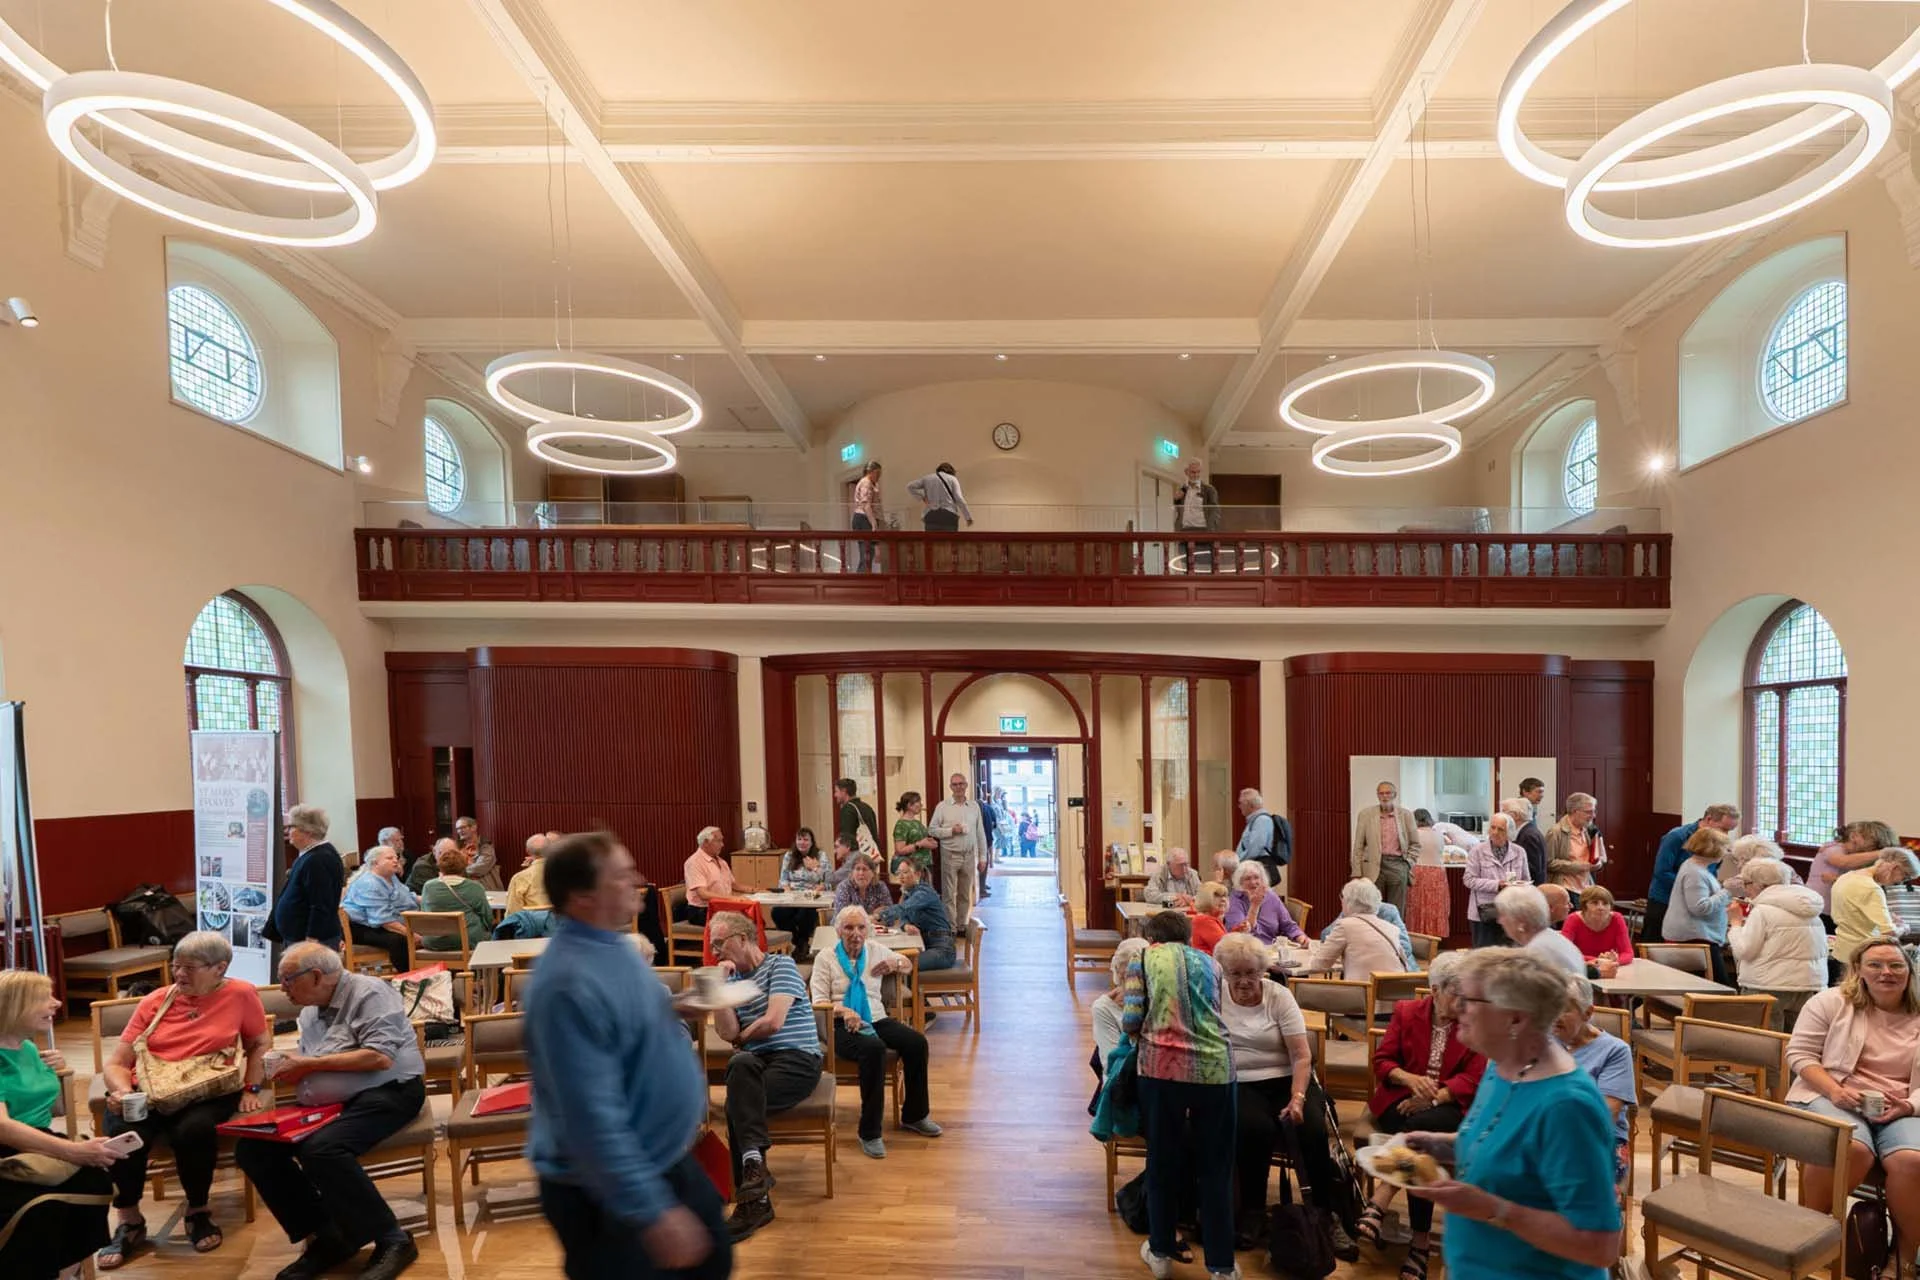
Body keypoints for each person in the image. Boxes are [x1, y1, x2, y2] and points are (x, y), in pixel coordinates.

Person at [526, 832, 729, 1280]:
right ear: (582, 897)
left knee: (715, 1255)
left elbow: (616, 1021)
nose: (638, 881)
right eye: (620, 876)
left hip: (660, 1154)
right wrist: (652, 1211)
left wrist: (672, 1007)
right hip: (603, 1183)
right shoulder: (565, 985)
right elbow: (589, 1117)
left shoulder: (613, 945)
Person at [1401, 948, 1623, 1280]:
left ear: (1516, 1019)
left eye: (1470, 1000)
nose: (1457, 1008)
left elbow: (1600, 1246)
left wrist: (1494, 1209)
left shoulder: (1568, 1106)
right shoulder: (1501, 1065)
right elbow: (1505, 1146)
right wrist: (1441, 1144)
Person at [237, 941, 426, 1280]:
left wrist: (308, 1065)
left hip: (390, 1091)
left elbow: (379, 1056)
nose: (281, 989)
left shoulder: (370, 993)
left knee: (322, 1149)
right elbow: (317, 1060)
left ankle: (392, 1238)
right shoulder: (310, 1010)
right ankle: (330, 1235)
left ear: (316, 975)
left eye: (287, 980)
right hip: (332, 1101)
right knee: (254, 1147)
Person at [95, 931, 271, 1266]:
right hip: (151, 1089)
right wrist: (121, 1092)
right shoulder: (155, 1001)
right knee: (122, 1132)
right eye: (176, 966)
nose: (179, 974)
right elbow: (118, 1062)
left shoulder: (241, 994)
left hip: (208, 1089)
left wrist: (252, 1088)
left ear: (219, 968)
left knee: (194, 1130)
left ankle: (198, 1210)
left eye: (189, 968)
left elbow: (259, 1044)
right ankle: (129, 1219)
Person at [1215, 932, 1350, 1256]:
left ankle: (1323, 1213)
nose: (1244, 980)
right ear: (1224, 971)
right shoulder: (1214, 996)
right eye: (1236, 973)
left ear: (1262, 970)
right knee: (1252, 1128)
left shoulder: (1278, 996)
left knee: (1311, 1127)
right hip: (1241, 1080)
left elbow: (1302, 1055)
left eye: (1251, 972)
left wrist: (1298, 1098)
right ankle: (1253, 1211)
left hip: (1290, 1077)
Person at [1789, 934, 1920, 1266]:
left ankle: (1903, 1259)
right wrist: (1835, 1090)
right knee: (1852, 1148)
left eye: (1895, 965)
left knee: (1911, 1162)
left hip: (1903, 1105)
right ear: (1858, 970)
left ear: (1909, 971)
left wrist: (1909, 1105)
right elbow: (1801, 1055)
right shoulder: (1830, 1002)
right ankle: (1808, 1236)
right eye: (1874, 965)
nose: (1885, 972)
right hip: (1831, 1093)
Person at [1354, 951, 1486, 1280]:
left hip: (1451, 1106)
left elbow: (1475, 1075)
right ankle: (1420, 1245)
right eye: (1456, 992)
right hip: (1401, 1103)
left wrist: (1436, 1097)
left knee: (1421, 1131)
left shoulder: (1474, 1022)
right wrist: (1409, 1079)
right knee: (1419, 1141)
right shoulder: (1406, 1011)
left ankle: (1383, 1196)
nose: (1463, 1001)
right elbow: (1382, 1060)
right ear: (1435, 990)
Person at [1123, 911, 1236, 1280]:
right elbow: (1215, 1012)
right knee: (1216, 1167)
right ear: (1187, 937)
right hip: (1216, 1069)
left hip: (1162, 1069)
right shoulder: (1211, 962)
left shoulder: (1141, 959)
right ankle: (1221, 1264)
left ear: (1151, 937)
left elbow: (1131, 1019)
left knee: (1162, 1160)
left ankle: (1160, 1253)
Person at [708, 910, 823, 1242]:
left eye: (720, 943)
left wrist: (743, 1037)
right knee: (740, 1065)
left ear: (743, 939)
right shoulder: (731, 981)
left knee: (736, 1104)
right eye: (712, 945)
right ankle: (755, 1176)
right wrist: (718, 989)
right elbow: (729, 1033)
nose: (715, 952)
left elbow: (773, 1022)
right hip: (756, 1063)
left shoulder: (781, 965)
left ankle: (753, 1204)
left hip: (797, 1061)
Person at [0, 970, 118, 1280]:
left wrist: (53, 1068)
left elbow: (47, 1103)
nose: (57, 1003)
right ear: (15, 1006)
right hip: (7, 1152)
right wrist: (73, 1151)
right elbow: (4, 1128)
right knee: (41, 1208)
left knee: (96, 1181)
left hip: (36, 1142)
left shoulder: (26, 1048)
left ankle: (66, 1271)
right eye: (45, 998)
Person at [809, 906, 941, 1159]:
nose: (855, 934)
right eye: (848, 928)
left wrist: (896, 962)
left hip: (876, 1018)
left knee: (916, 1043)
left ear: (868, 931)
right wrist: (844, 1011)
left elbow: (907, 965)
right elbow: (818, 1001)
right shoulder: (825, 958)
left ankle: (915, 1115)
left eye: (861, 928)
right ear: (838, 932)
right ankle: (869, 1132)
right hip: (839, 1022)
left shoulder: (875, 950)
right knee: (874, 1049)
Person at [1554, 975, 1635, 1191]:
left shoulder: (1615, 1051)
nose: (1553, 1017)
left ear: (1588, 1013)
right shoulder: (1544, 1042)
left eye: (1563, 1009)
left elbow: (1605, 1117)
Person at [1729, 857, 1827, 1029]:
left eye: (1746, 883)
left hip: (1767, 986)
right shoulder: (1810, 907)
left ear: (1758, 884)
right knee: (1797, 1045)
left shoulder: (1763, 911)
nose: (1745, 889)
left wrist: (1735, 925)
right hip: (1808, 984)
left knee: (1765, 1046)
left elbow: (1744, 951)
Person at [1644, 804, 1742, 941]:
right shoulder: (1677, 836)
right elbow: (1662, 872)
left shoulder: (1716, 844)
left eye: (1730, 830)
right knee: (1655, 946)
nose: (1726, 834)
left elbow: (1711, 873)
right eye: (1723, 829)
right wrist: (1692, 888)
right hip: (1664, 900)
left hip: (1695, 904)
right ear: (1709, 819)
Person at [1660, 825, 1736, 983]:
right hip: (1694, 939)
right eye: (1724, 848)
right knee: (1720, 988)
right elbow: (1700, 907)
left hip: (1696, 936)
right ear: (1712, 849)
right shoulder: (1695, 872)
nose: (1726, 852)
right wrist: (1728, 891)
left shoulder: (1695, 866)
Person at [1832, 847, 1920, 977]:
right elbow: (1889, 932)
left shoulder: (1847, 877)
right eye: (1904, 877)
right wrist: (1904, 928)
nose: (1899, 882)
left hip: (1842, 950)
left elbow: (1856, 910)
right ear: (1894, 868)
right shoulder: (1871, 888)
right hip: (1863, 954)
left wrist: (1888, 916)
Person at [1307, 879, 1410, 981]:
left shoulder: (1345, 925)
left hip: (1362, 992)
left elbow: (1318, 965)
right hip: (1396, 991)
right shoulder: (1392, 929)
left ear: (1348, 901)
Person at [271, 804, 344, 948]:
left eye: (292, 827)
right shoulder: (311, 855)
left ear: (308, 831)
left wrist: (312, 938)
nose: (288, 831)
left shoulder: (318, 859)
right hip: (299, 937)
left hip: (310, 941)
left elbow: (320, 903)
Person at [339, 844, 419, 972]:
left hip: (383, 922)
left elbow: (409, 897)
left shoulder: (391, 877)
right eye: (389, 858)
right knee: (399, 940)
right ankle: (410, 977)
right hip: (360, 927)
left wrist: (430, 898)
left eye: (395, 857)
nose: (395, 860)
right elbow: (384, 921)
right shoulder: (369, 884)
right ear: (375, 863)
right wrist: (411, 935)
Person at [877, 857, 957, 972]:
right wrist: (906, 925)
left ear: (918, 874)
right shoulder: (909, 893)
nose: (901, 876)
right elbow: (904, 917)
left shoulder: (923, 893)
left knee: (901, 963)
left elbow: (903, 908)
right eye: (899, 873)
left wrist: (878, 916)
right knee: (897, 960)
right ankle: (908, 990)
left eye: (905, 872)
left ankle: (910, 990)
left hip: (943, 949)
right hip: (926, 946)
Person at [1809, 820, 1899, 920]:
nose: (1871, 849)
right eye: (1872, 844)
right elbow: (1843, 862)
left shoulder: (1861, 857)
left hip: (1839, 911)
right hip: (1817, 908)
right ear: (1853, 836)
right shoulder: (1833, 848)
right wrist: (1883, 852)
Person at [930, 772, 985, 933]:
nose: (958, 787)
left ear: (966, 785)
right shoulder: (942, 807)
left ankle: (962, 925)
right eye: (955, 784)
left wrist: (982, 857)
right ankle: (950, 928)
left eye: (961, 784)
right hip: (950, 855)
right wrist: (951, 831)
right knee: (949, 894)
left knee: (965, 894)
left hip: (969, 855)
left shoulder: (974, 806)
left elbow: (980, 833)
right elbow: (932, 829)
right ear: (950, 787)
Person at [1465, 813, 1531, 948]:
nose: (1495, 832)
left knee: (1509, 956)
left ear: (1510, 833)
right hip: (1484, 912)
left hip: (1511, 912)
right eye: (1493, 828)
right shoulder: (1477, 851)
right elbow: (1469, 880)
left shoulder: (1519, 852)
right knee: (1483, 958)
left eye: (1500, 829)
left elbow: (1526, 879)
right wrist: (1497, 885)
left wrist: (1521, 886)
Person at [1353, 782, 1418, 914]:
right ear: (1377, 795)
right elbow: (1358, 846)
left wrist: (1407, 864)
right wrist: (1356, 872)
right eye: (1381, 793)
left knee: (1396, 910)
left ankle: (1395, 934)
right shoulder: (1366, 815)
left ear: (1395, 795)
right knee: (1372, 907)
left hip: (1398, 864)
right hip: (1373, 867)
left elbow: (1415, 844)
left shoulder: (1406, 815)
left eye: (1388, 793)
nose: (1384, 796)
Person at [1496, 885, 1586, 975]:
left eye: (1503, 915)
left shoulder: (1535, 953)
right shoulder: (1549, 939)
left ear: (1520, 921)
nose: (1499, 921)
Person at [419, 844, 492, 952]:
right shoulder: (475, 887)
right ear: (464, 866)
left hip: (434, 942)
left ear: (440, 866)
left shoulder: (428, 887)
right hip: (468, 940)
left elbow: (425, 912)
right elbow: (487, 917)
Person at [1093, 937, 1152, 1068]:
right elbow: (1112, 1062)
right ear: (1120, 975)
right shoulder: (1104, 1008)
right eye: (1131, 976)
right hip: (1123, 1079)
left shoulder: (1159, 999)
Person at [772, 828, 828, 959]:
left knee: (804, 914)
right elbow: (783, 879)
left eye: (806, 839)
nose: (802, 842)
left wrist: (818, 881)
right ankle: (799, 942)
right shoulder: (789, 856)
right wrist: (787, 890)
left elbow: (826, 880)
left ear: (812, 842)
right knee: (777, 912)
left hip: (811, 896)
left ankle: (801, 943)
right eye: (799, 839)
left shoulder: (820, 856)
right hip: (792, 895)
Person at [1223, 859, 1307, 946]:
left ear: (1263, 880)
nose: (1253, 882)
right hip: (1245, 950)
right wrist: (1254, 905)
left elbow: (1288, 925)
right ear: (1240, 883)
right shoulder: (1235, 900)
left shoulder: (1271, 897)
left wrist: (1300, 937)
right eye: (1247, 879)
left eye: (1256, 877)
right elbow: (1241, 934)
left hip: (1272, 949)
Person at [683, 825, 753, 925]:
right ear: (706, 842)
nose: (722, 844)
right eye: (718, 841)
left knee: (751, 917)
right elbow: (703, 894)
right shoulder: (694, 862)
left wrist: (755, 890)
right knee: (740, 923)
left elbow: (734, 885)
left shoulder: (721, 862)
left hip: (723, 907)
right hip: (702, 911)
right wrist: (732, 898)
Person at [1544, 793, 1606, 893]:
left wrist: (1598, 863)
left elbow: (1601, 857)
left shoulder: (1590, 830)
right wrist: (1581, 866)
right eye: (1588, 812)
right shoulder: (1556, 832)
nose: (1593, 816)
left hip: (1586, 888)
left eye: (1594, 811)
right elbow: (1548, 863)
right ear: (1574, 811)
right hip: (1565, 889)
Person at [1559, 886, 1630, 972]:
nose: (1601, 908)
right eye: (1595, 903)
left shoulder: (1617, 918)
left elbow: (1627, 953)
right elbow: (1564, 951)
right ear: (1585, 906)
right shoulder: (1573, 919)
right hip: (1580, 968)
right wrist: (1598, 960)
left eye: (1605, 903)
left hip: (1609, 968)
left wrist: (1614, 961)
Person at [1407, 809, 1452, 940]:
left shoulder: (1413, 834)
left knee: (1417, 906)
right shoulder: (1438, 834)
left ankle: (1417, 936)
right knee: (1435, 907)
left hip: (1418, 871)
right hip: (1437, 873)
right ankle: (1434, 938)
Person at [1234, 788, 1291, 891]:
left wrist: (1238, 863)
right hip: (1255, 868)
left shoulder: (1261, 821)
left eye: (1241, 803)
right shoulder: (1255, 821)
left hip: (1258, 869)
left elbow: (1255, 849)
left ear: (1250, 804)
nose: (1239, 806)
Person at [1172, 458, 1221, 574]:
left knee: (1204, 568)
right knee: (1186, 568)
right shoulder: (1182, 490)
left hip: (1203, 532)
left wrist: (1211, 530)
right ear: (1186, 472)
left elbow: (1215, 511)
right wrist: (1176, 500)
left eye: (1198, 472)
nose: (1196, 475)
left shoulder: (1209, 490)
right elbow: (1178, 511)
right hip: (1184, 532)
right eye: (1193, 472)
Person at [906, 461, 973, 532]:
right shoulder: (952, 479)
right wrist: (968, 517)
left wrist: (922, 497)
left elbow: (910, 486)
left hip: (931, 514)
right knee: (949, 540)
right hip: (949, 514)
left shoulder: (927, 478)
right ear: (951, 471)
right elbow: (959, 499)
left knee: (932, 540)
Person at [1503, 798, 1549, 895]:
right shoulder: (1527, 832)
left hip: (1530, 890)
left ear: (1515, 815)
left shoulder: (1528, 836)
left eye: (1504, 812)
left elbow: (1533, 868)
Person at [1719, 832, 1785, 899]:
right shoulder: (1780, 867)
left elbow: (1729, 885)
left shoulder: (1759, 873)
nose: (1739, 865)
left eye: (1742, 859)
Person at [891, 791, 939, 873]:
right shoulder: (901, 825)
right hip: (913, 867)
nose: (921, 805)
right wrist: (920, 844)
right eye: (918, 802)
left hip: (926, 865)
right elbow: (900, 850)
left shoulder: (917, 822)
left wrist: (930, 842)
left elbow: (923, 839)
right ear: (909, 805)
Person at [850, 460, 883, 574]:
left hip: (867, 518)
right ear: (870, 472)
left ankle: (864, 576)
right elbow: (865, 504)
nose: (879, 476)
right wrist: (873, 522)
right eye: (877, 473)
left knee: (869, 552)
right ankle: (861, 579)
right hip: (864, 518)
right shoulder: (866, 483)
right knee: (866, 553)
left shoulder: (873, 484)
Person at [833, 779, 880, 859]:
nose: (835, 795)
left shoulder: (848, 809)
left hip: (856, 858)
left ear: (844, 791)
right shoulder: (867, 807)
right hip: (871, 854)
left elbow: (847, 836)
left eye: (836, 791)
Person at [505, 832, 551, 913]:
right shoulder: (563, 873)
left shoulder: (519, 878)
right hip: (560, 924)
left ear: (527, 851)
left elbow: (512, 912)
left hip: (530, 924)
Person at [452, 815, 501, 891]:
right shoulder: (457, 847)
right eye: (458, 829)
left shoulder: (485, 846)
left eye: (463, 827)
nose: (459, 831)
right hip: (461, 887)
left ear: (474, 827)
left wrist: (458, 871)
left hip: (484, 888)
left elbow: (481, 867)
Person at [1189, 881, 1230, 955]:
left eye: (1225, 896)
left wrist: (1238, 930)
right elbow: (1225, 949)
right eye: (1217, 896)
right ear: (1205, 898)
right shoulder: (1204, 920)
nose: (1223, 899)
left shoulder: (1209, 918)